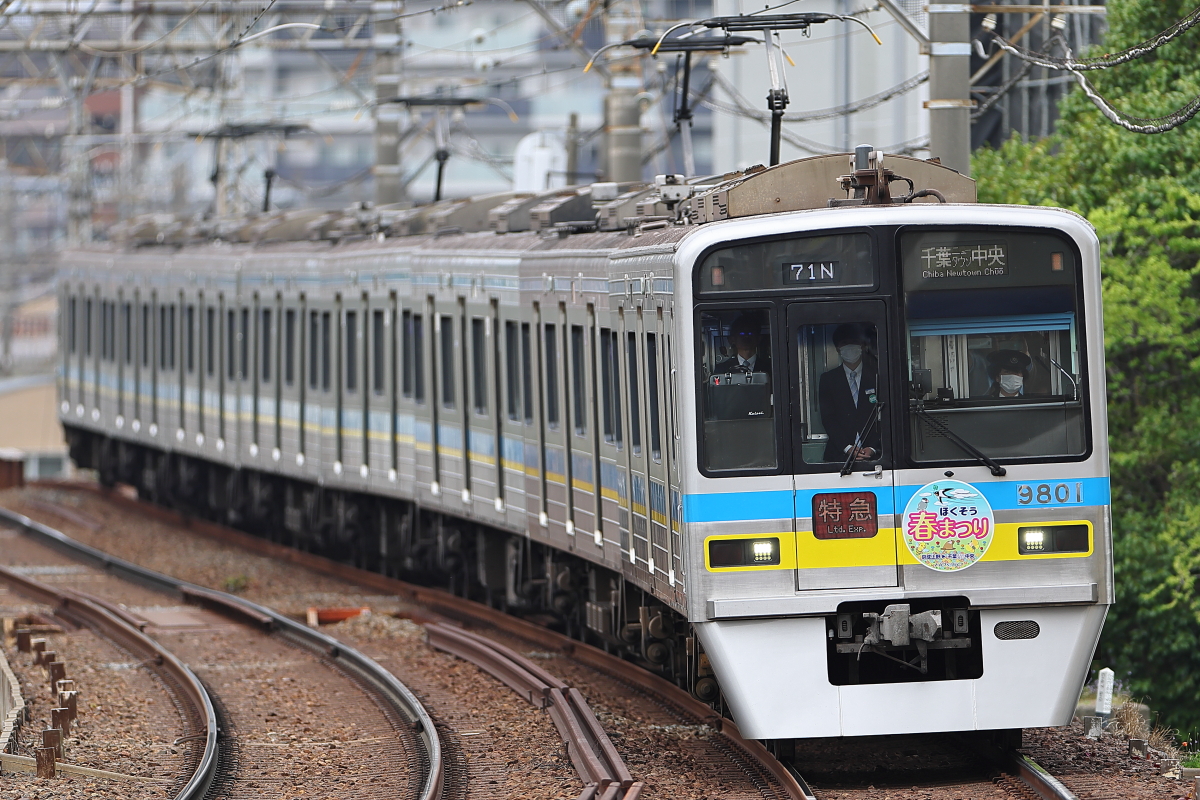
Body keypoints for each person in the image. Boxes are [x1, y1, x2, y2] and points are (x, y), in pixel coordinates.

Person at [818, 322, 881, 462]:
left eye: (854, 342)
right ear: (838, 349)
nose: (850, 347)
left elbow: (885, 415)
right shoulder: (828, 380)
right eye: (845, 343)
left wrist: (873, 447)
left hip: (877, 456)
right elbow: (828, 418)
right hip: (838, 456)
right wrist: (848, 448)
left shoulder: (878, 376)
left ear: (862, 346)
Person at [714, 312, 772, 377]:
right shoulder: (722, 369)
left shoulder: (770, 368)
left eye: (750, 333)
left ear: (759, 338)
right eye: (742, 333)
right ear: (732, 339)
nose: (746, 336)